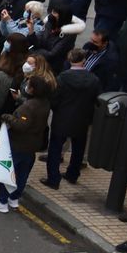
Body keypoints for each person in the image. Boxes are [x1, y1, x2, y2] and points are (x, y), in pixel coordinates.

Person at [0, 56, 53, 213]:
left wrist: (7, 117)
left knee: (6, 172)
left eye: (29, 85)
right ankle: (14, 198)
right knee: (23, 175)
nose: (27, 86)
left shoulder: (28, 107)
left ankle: (2, 201)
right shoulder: (45, 104)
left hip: (18, 144)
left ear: (33, 89)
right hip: (32, 146)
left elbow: (20, 125)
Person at [43, 48, 100, 188]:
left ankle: (53, 179)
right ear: (84, 61)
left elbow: (54, 98)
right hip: (82, 119)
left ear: (69, 60)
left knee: (55, 150)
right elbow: (96, 100)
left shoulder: (63, 77)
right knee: (78, 150)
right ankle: (73, 174)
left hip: (62, 117)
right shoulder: (93, 80)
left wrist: (56, 109)